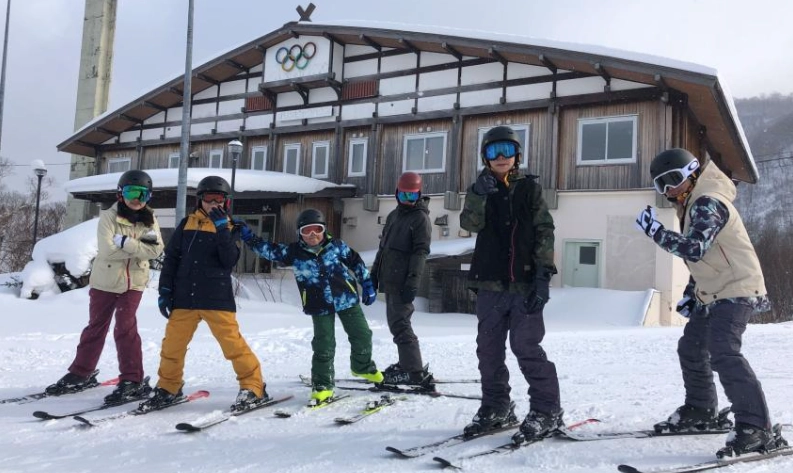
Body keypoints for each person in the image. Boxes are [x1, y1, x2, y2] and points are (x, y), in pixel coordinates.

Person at [636, 148, 785, 456]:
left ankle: (757, 428)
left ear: (692, 173)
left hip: (737, 289)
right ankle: (701, 409)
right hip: (714, 292)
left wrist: (656, 232)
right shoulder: (693, 203)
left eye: (674, 179)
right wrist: (693, 294)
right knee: (691, 347)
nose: (670, 190)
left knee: (724, 352)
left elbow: (695, 248)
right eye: (661, 185)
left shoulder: (708, 201)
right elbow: (707, 260)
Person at [460, 125, 563, 442]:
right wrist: (479, 195)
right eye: (493, 151)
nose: (501, 157)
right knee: (488, 350)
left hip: (525, 283)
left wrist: (543, 276)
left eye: (507, 150)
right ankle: (496, 407)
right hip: (490, 284)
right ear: (485, 157)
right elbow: (469, 223)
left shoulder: (529, 189)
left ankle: (546, 411)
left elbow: (544, 230)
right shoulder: (479, 189)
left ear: (517, 155)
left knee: (526, 347)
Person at [141, 175, 267, 413]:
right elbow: (172, 259)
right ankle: (169, 387)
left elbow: (229, 260)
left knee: (233, 346)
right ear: (200, 201)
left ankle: (253, 386)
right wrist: (165, 290)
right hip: (184, 297)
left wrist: (221, 230)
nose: (213, 203)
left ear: (226, 202)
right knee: (172, 347)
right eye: (208, 199)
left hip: (216, 297)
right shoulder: (187, 223)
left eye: (218, 198)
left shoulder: (231, 227)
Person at [237, 208, 383, 404]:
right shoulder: (294, 252)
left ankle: (362, 366)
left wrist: (367, 284)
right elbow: (268, 250)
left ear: (324, 231)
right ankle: (322, 385)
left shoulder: (337, 246)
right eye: (307, 231)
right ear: (300, 233)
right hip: (318, 303)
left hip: (346, 299)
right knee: (324, 344)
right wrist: (249, 237)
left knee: (362, 334)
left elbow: (356, 261)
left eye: (317, 230)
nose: (313, 235)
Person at [46, 170, 163, 404]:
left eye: (142, 193)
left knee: (125, 328)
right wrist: (138, 247)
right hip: (104, 283)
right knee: (95, 327)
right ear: (121, 194)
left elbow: (156, 250)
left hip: (133, 284)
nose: (136, 198)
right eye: (131, 192)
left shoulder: (150, 219)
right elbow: (108, 250)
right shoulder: (108, 218)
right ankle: (81, 373)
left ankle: (132, 379)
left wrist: (126, 242)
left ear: (148, 196)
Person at [371, 171, 433, 388]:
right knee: (395, 324)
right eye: (405, 196)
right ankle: (406, 362)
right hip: (390, 279)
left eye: (412, 197)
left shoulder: (420, 219)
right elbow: (383, 249)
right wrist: (373, 275)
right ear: (397, 193)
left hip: (403, 282)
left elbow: (420, 253)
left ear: (419, 195)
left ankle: (413, 370)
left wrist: (413, 283)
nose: (408, 201)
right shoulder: (394, 216)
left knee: (400, 324)